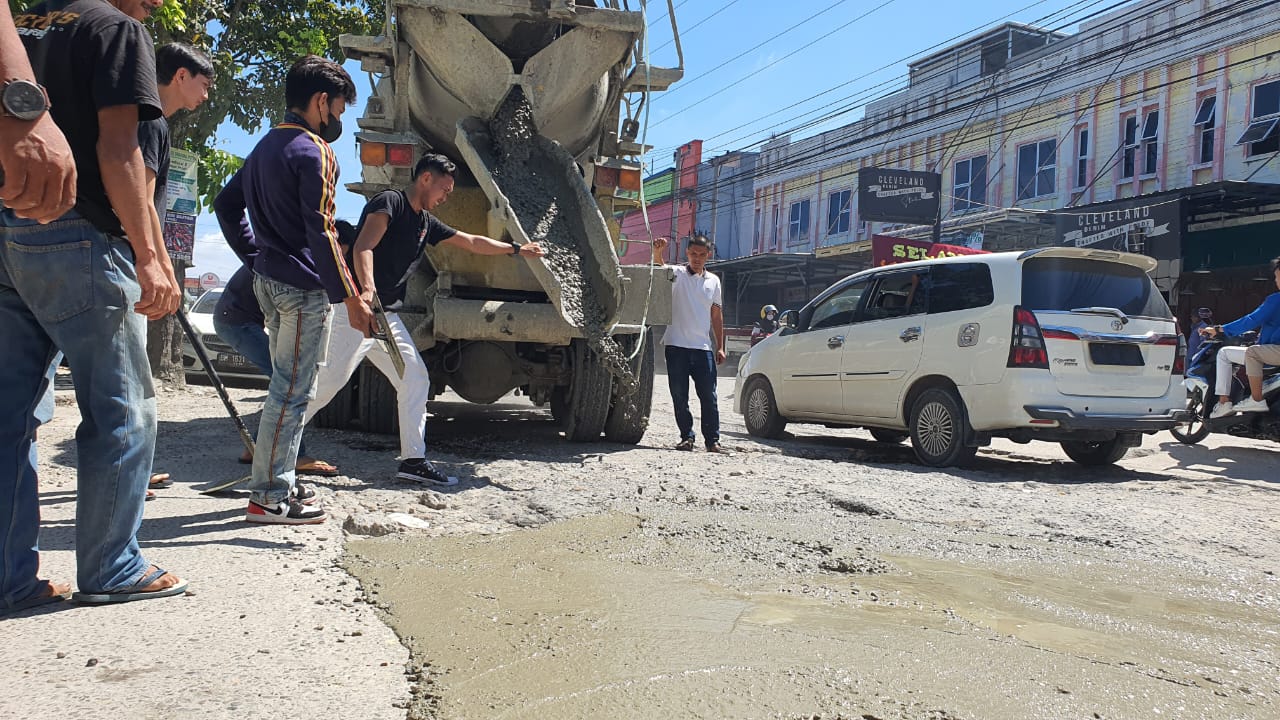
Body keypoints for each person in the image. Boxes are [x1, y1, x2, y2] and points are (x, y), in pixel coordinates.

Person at [2, 0, 186, 614]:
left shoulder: (21, 24)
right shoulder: (116, 29)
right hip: (80, 233)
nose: (157, 4)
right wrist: (150, 256)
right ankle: (112, 564)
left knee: (11, 417)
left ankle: (10, 577)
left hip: (9, 230)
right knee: (123, 407)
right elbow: (118, 148)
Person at [304, 153, 546, 484]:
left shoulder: (425, 223)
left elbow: (471, 242)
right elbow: (363, 247)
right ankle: (272, 443)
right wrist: (367, 291)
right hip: (358, 313)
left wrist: (517, 249)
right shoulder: (390, 202)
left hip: (385, 318)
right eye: (444, 190)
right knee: (328, 382)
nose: (446, 197)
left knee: (414, 378)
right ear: (425, 179)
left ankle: (413, 461)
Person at [214, 54, 369, 525]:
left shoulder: (263, 147)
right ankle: (269, 497)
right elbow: (322, 230)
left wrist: (256, 258)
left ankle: (278, 481)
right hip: (301, 291)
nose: (339, 119)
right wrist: (349, 296)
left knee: (285, 389)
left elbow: (225, 204)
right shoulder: (315, 151)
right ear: (321, 102)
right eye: (339, 109)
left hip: (268, 283)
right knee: (293, 392)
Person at [213, 221, 358, 476]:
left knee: (285, 380)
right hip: (235, 321)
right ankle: (293, 455)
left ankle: (258, 447)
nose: (341, 258)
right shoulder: (306, 259)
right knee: (292, 381)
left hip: (237, 319)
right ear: (336, 244)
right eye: (343, 251)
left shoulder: (295, 250)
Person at [651, 234, 728, 454]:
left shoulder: (713, 281)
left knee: (709, 396)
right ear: (687, 253)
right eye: (693, 254)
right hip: (676, 346)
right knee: (679, 395)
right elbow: (660, 266)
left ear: (708, 256)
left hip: (702, 348)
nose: (697, 258)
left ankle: (713, 441)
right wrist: (658, 251)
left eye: (701, 255)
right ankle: (687, 437)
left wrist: (719, 346)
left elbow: (716, 315)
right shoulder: (676, 274)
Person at [1204, 258, 1280, 419]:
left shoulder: (1276, 300)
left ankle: (1227, 402)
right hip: (1272, 352)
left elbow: (1251, 320)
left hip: (1275, 352)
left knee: (1225, 353)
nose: (1276, 281)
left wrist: (1219, 329)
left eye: (1277, 277)